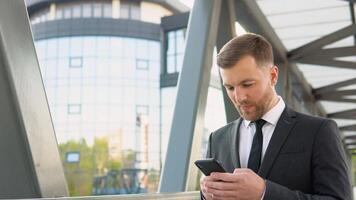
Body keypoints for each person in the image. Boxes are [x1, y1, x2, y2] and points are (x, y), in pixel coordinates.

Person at [200, 33, 352, 200]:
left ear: (273, 76)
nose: (239, 97)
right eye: (229, 87)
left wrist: (265, 193)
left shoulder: (318, 131)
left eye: (247, 84)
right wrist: (207, 194)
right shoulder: (218, 139)